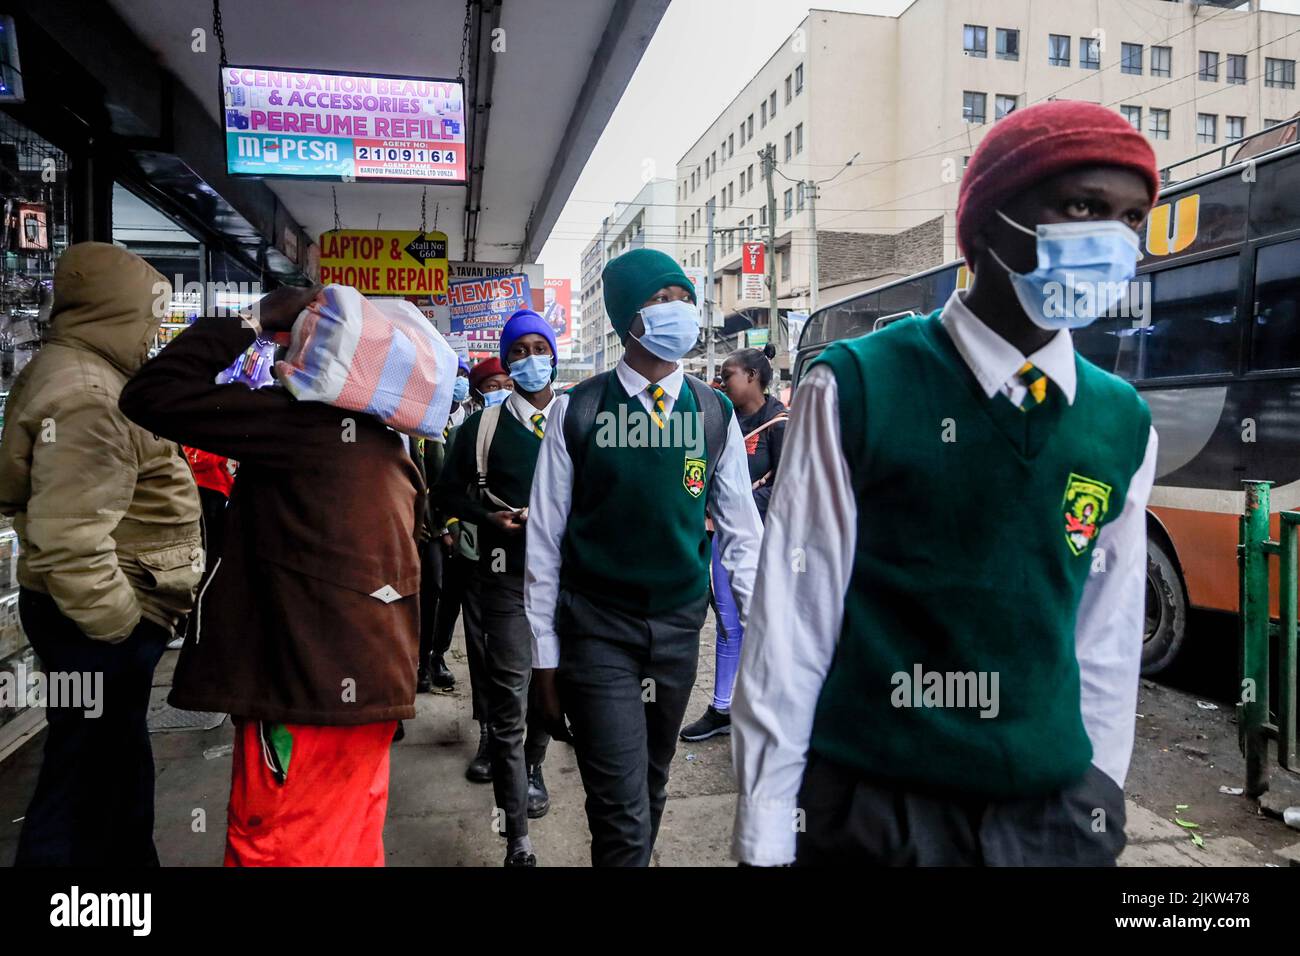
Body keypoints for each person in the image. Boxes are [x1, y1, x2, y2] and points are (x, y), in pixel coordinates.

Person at [732, 100, 1161, 867]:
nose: (1111, 240)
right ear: (990, 223)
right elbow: (793, 622)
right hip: (877, 814)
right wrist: (767, 832)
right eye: (1084, 207)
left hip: (1051, 820)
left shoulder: (1120, 420)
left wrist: (1099, 790)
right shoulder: (861, 385)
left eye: (1130, 219)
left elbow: (1107, 632)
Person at [119, 284, 426, 867]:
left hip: (305, 695)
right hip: (367, 692)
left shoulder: (302, 427)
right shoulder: (386, 444)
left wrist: (252, 318)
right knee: (347, 843)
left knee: (279, 846)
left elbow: (152, 393)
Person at [526, 248, 764, 866]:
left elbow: (741, 533)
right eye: (662, 300)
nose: (678, 311)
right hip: (597, 631)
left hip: (679, 629)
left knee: (653, 784)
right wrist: (544, 658)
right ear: (626, 317)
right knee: (619, 811)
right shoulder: (578, 410)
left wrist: (767, 630)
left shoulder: (712, 414)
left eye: (684, 298)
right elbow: (546, 541)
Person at [0, 242, 203, 866]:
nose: (154, 331)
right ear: (115, 312)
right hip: (98, 620)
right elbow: (73, 539)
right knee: (86, 770)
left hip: (85, 613)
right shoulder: (89, 393)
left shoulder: (76, 370)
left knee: (101, 758)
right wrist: (121, 623)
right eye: (150, 315)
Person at [435, 311, 558, 866]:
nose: (531, 358)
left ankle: (535, 764)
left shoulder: (579, 421)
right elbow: (446, 495)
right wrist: (489, 521)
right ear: (508, 362)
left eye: (540, 347)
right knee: (508, 700)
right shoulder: (478, 430)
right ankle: (517, 841)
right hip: (503, 581)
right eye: (521, 350)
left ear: (552, 355)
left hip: (566, 588)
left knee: (549, 695)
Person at [680, 343, 787, 742]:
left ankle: (767, 707)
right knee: (727, 626)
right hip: (715, 537)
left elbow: (787, 486)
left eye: (728, 376)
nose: (722, 382)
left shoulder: (780, 422)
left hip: (761, 540)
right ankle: (723, 706)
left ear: (753, 377)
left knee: (761, 623)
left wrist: (735, 497)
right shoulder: (716, 417)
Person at [435, 357, 510, 781]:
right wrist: (471, 524)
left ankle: (534, 741)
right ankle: (490, 733)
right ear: (479, 391)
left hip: (535, 564)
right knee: (484, 652)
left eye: (506, 381)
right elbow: (447, 493)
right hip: (479, 558)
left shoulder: (543, 427)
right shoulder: (469, 432)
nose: (501, 388)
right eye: (492, 383)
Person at [416, 357, 472, 693]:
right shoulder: (420, 423)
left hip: (450, 529)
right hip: (423, 529)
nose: (459, 383)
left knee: (445, 595)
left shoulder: (467, 426)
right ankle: (420, 662)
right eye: (454, 376)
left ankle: (434, 657)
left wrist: (454, 524)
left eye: (464, 377)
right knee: (424, 594)